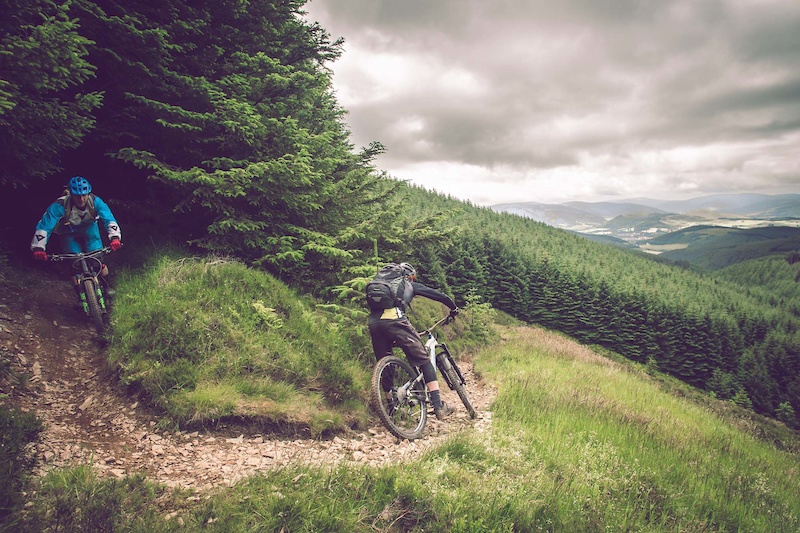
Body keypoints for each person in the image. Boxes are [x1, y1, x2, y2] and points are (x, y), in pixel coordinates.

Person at [368, 262, 460, 420]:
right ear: (408, 276)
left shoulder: (382, 285)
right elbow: (439, 296)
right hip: (395, 321)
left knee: (386, 365)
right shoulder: (409, 285)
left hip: (374, 323)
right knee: (424, 360)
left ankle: (391, 411)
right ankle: (439, 407)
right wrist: (453, 308)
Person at [31, 175, 122, 296]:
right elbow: (45, 225)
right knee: (75, 264)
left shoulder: (95, 201)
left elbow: (108, 218)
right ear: (71, 194)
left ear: (89, 193)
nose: (82, 198)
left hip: (90, 230)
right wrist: (38, 247)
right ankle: (81, 296)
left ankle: (107, 287)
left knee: (97, 261)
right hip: (68, 233)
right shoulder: (60, 205)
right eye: (77, 195)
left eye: (84, 195)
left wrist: (115, 237)